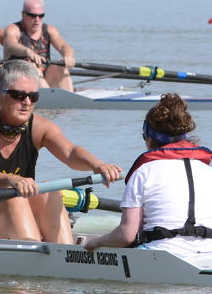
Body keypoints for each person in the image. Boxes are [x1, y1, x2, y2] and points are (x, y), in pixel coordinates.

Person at [0, 60, 122, 243]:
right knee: (12, 195)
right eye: (18, 95)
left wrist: (97, 164)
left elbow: (70, 152)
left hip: (14, 217)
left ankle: (64, 253)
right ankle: (34, 253)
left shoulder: (39, 127)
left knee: (50, 191)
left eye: (33, 96)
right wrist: (11, 179)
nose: (26, 102)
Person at [84, 94, 212, 261]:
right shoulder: (207, 170)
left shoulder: (144, 172)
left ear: (149, 136)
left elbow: (126, 235)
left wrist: (95, 243)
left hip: (161, 255)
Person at [3, 0, 76, 91]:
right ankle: (49, 97)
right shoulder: (13, 29)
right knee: (32, 67)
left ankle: (68, 97)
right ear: (23, 14)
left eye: (41, 16)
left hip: (42, 79)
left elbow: (63, 46)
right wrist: (28, 52)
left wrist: (68, 56)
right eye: (32, 15)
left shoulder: (49, 30)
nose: (37, 19)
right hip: (16, 81)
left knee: (59, 66)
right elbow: (10, 45)